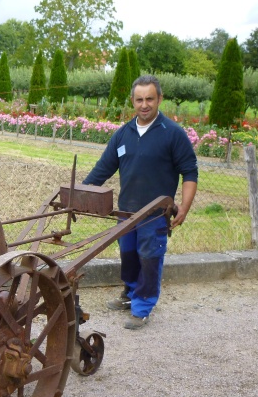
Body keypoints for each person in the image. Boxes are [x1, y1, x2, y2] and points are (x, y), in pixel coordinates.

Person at [83, 74, 198, 330]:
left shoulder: (173, 134)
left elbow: (190, 172)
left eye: (149, 99)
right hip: (126, 212)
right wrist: (81, 192)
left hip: (155, 214)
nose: (144, 105)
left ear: (159, 99)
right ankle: (130, 293)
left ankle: (143, 306)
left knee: (149, 257)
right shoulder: (123, 133)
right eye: (139, 100)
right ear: (132, 101)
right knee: (129, 256)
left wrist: (185, 208)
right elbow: (103, 169)